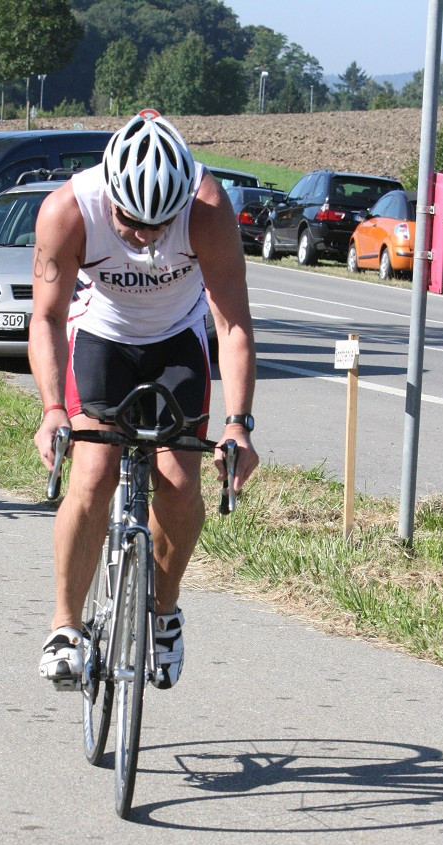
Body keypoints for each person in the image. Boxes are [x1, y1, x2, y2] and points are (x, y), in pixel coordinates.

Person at [29, 109, 259, 691]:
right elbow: (48, 317)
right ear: (110, 194)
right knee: (94, 469)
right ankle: (66, 625)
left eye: (160, 226)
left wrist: (238, 424)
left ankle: (164, 611)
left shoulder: (207, 210)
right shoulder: (67, 211)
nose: (146, 238)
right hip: (101, 336)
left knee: (180, 485)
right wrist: (53, 409)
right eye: (133, 222)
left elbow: (231, 323)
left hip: (177, 340)